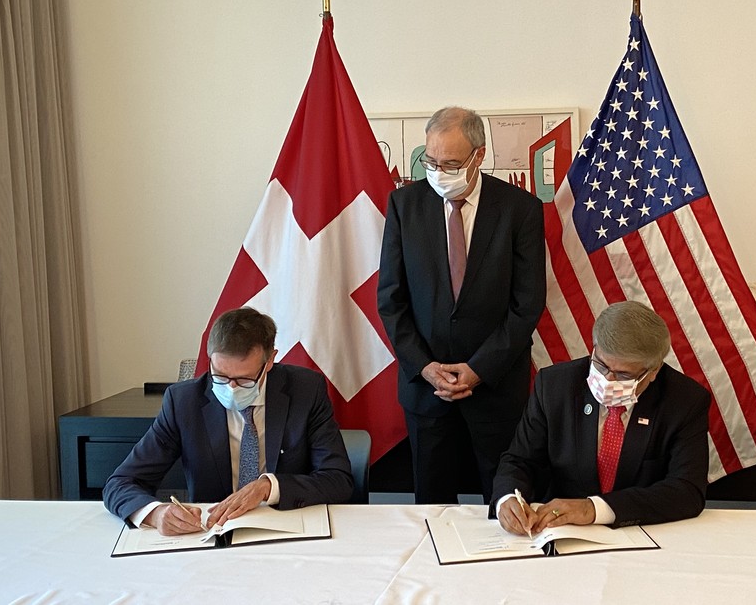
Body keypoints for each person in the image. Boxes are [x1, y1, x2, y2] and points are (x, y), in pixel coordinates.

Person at [377, 106, 546, 503]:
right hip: (427, 391)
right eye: (430, 161)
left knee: (506, 503)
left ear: (479, 156)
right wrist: (424, 366)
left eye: (451, 163)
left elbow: (527, 304)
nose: (438, 171)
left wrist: (478, 370)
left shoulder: (519, 209)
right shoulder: (405, 206)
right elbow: (390, 299)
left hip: (496, 389)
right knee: (432, 508)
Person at [103, 307, 353, 535]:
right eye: (220, 376)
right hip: (211, 535)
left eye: (244, 380)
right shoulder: (184, 402)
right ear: (209, 357)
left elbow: (338, 480)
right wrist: (156, 514)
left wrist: (269, 487)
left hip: (285, 531)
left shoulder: (305, 390)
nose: (232, 388)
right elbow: (120, 483)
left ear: (269, 362)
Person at [491, 300, 711, 535]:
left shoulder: (685, 401)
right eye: (601, 365)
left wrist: (595, 509)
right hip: (561, 531)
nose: (609, 380)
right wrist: (506, 498)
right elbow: (519, 460)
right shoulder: (554, 386)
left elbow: (687, 490)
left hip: (641, 532)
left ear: (654, 371)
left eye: (624, 374)